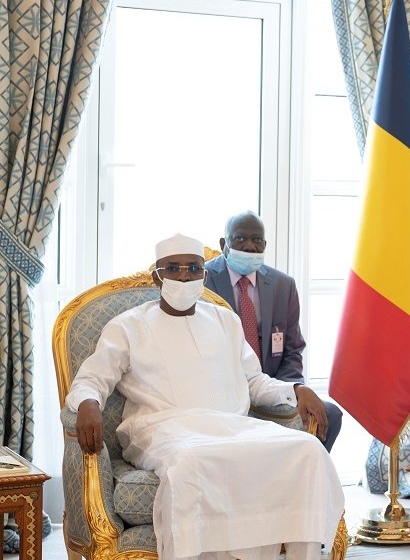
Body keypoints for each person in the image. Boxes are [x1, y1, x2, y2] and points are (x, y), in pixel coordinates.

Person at [66, 233, 344, 560]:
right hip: (162, 428)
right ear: (158, 275)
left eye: (193, 268)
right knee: (190, 460)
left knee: (307, 449)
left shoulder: (226, 320)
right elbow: (92, 378)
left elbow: (254, 381)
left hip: (231, 426)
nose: (184, 276)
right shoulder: (127, 326)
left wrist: (295, 390)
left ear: (204, 274)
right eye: (174, 268)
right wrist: (87, 403)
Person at [204, 211, 343, 451]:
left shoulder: (282, 286)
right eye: (240, 239)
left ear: (265, 245)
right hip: (220, 395)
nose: (249, 246)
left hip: (270, 390)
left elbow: (292, 350)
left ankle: (303, 489)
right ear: (223, 244)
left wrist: (289, 391)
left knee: (329, 414)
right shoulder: (203, 280)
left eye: (257, 240)